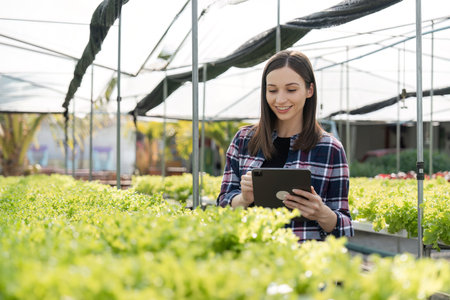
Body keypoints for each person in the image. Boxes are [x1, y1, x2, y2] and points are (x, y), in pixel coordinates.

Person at [216, 50, 353, 242]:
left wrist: (321, 213)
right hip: (250, 259)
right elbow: (222, 207)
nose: (280, 99)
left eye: (291, 90)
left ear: (309, 90)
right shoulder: (244, 140)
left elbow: (345, 226)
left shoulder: (330, 148)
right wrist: (243, 199)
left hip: (303, 263)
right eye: (272, 90)